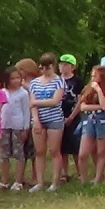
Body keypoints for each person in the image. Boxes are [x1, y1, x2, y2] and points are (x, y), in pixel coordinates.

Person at [29, 53, 66, 192]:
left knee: (54, 150)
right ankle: (39, 182)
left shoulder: (59, 81)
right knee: (39, 151)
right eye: (42, 68)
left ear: (53, 66)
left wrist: (36, 102)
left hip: (54, 119)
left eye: (48, 68)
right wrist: (36, 120)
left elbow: (55, 101)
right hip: (39, 119)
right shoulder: (34, 83)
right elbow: (32, 104)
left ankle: (55, 182)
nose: (45, 71)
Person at [76, 66, 105, 184]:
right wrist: (98, 107)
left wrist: (99, 91)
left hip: (103, 122)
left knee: (101, 152)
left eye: (95, 76)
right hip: (89, 120)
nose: (93, 78)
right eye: (92, 75)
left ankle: (98, 180)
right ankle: (83, 180)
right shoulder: (88, 88)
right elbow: (83, 107)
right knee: (83, 154)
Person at [0, 67, 30, 190]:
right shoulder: (2, 92)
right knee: (4, 154)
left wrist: (25, 128)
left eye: (18, 78)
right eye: (13, 78)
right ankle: (4, 181)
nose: (16, 80)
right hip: (4, 126)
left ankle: (18, 181)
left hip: (18, 126)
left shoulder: (23, 93)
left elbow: (26, 111)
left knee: (19, 153)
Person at [58, 54, 83, 183]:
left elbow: (80, 100)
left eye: (66, 64)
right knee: (61, 147)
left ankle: (80, 172)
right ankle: (64, 173)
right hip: (58, 115)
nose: (63, 67)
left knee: (75, 147)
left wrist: (72, 116)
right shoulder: (56, 80)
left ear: (73, 67)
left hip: (73, 116)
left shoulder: (77, 81)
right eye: (61, 64)